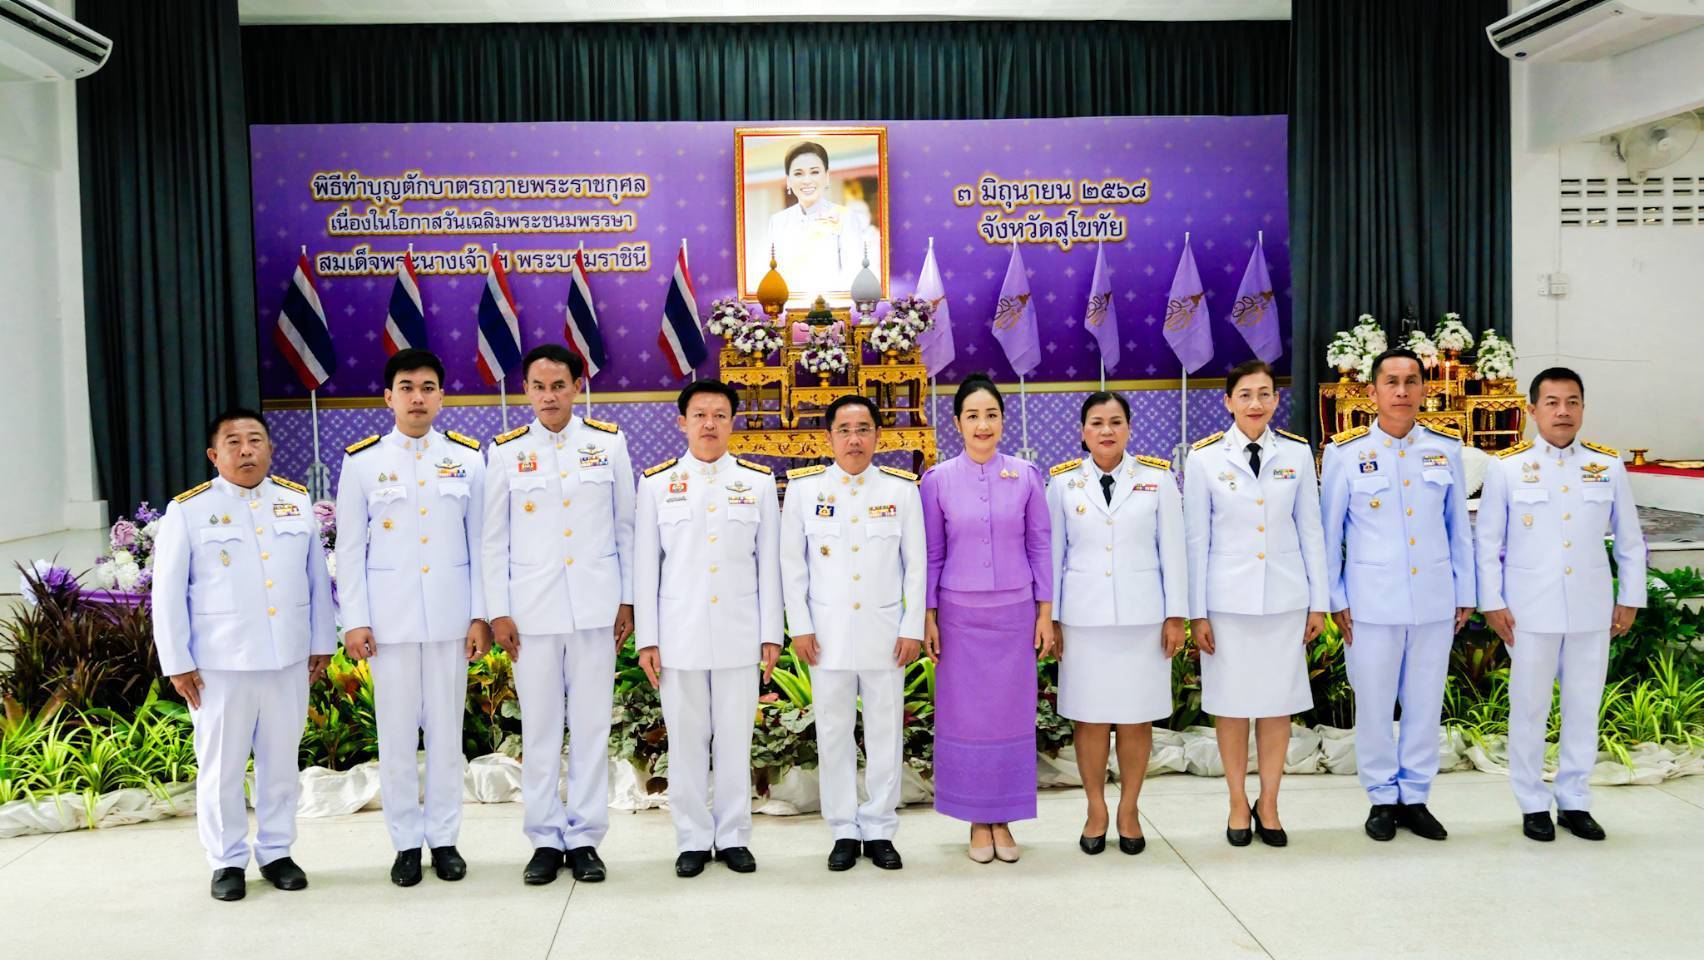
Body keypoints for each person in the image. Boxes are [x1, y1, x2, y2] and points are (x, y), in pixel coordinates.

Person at [150, 408, 335, 902]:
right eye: (233, 442)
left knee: (280, 763)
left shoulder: (296, 502)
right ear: (215, 455)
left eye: (255, 440)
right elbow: (167, 594)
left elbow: (317, 581)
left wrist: (322, 643)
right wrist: (178, 662)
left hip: (287, 659)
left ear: (271, 449)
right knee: (221, 768)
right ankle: (226, 860)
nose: (246, 449)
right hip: (219, 665)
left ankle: (277, 851)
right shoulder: (188, 510)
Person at [335, 348, 489, 886]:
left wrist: (480, 616)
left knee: (447, 735)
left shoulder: (470, 459)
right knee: (396, 737)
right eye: (407, 387)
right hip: (389, 623)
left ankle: (444, 839)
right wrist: (354, 619)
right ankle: (404, 843)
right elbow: (350, 549)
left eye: (427, 387)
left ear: (442, 396)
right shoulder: (362, 462)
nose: (417, 397)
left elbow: (482, 545)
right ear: (388, 397)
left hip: (450, 621)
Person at [482, 344, 635, 885]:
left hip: (596, 611)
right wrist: (498, 611)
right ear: (527, 391)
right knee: (542, 729)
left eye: (559, 385)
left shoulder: (609, 444)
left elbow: (626, 528)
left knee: (592, 727)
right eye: (539, 387)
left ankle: (587, 837)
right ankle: (545, 838)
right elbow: (492, 540)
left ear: (577, 386)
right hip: (531, 616)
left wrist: (629, 598)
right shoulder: (503, 452)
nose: (549, 396)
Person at [1476, 367, 1645, 842]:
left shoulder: (1607, 465)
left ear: (1583, 409)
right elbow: (1487, 543)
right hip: (1528, 610)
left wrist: (1630, 597)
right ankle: (1532, 802)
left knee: (1583, 706)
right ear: (1532, 410)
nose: (1562, 411)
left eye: (1572, 402)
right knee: (1528, 708)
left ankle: (1574, 799)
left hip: (1592, 609)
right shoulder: (1507, 467)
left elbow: (1630, 542)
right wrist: (1491, 602)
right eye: (1551, 402)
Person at [1321, 348, 1475, 842]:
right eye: (1392, 381)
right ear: (1373, 392)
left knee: (1425, 703)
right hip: (1369, 602)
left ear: (1425, 389)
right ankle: (1381, 798)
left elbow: (1459, 531)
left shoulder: (1446, 450)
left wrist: (1464, 590)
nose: (1402, 390)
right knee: (1374, 702)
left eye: (1412, 380)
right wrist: (1335, 598)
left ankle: (1416, 796)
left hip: (1433, 598)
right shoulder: (1345, 454)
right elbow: (1329, 536)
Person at [634, 379, 782, 878]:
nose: (710, 424)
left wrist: (770, 634)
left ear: (732, 421)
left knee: (736, 739)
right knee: (687, 740)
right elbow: (645, 567)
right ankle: (693, 838)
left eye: (720, 414)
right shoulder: (656, 484)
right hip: (680, 634)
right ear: (682, 422)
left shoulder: (758, 483)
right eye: (700, 415)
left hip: (740, 632)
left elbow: (770, 566)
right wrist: (648, 639)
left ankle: (734, 835)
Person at [1184, 360, 1329, 848]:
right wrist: (1196, 611)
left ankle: (1269, 801)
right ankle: (1236, 801)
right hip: (1226, 604)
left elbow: (1312, 530)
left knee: (1276, 707)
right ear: (1228, 401)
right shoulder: (1204, 458)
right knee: (1230, 707)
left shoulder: (1296, 453)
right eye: (1245, 395)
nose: (1256, 404)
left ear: (1275, 400)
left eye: (1265, 394)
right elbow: (1195, 539)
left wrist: (1319, 604)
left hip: (1285, 599)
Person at [780, 394, 924, 872]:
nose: (854, 438)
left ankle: (880, 826)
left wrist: (911, 626)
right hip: (827, 636)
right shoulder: (804, 491)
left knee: (885, 730)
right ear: (829, 437)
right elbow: (791, 566)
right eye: (844, 429)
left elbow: (916, 566)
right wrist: (799, 626)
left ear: (878, 436)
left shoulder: (901, 490)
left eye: (864, 428)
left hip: (887, 634)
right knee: (834, 732)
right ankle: (843, 827)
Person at [920, 373, 1054, 864]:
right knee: (969, 720)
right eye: (973, 415)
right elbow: (932, 554)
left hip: (1016, 616)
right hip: (958, 619)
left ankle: (1005, 817)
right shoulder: (936, 480)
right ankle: (978, 819)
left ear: (1003, 420)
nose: (983, 424)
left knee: (1009, 717)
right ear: (957, 422)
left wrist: (1045, 613)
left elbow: (1040, 544)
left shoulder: (1025, 475)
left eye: (991, 414)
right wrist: (929, 616)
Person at [1046, 391, 1186, 857]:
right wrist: (1053, 619)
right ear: (1083, 431)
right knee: (1089, 719)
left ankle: (1128, 808)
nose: (1106, 430)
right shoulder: (1063, 485)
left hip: (1142, 620)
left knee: (1135, 719)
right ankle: (1095, 808)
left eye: (1115, 422)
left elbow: (1174, 552)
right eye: (1097, 423)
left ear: (1128, 428)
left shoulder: (1158, 480)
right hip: (1083, 622)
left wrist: (1175, 615)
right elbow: (1052, 557)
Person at [766, 140, 865, 295]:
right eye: (798, 173)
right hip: (787, 309)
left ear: (826, 177)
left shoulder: (846, 217)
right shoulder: (777, 221)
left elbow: (854, 275)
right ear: (788, 181)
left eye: (814, 172)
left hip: (833, 311)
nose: (807, 180)